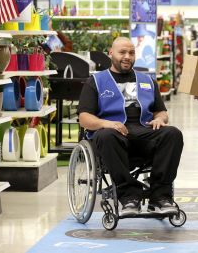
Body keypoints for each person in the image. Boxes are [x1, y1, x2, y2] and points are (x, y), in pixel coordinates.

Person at [77, 37, 183, 217]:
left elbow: (160, 111)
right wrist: (106, 124)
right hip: (112, 136)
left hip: (144, 132)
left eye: (131, 53)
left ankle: (160, 197)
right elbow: (84, 118)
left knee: (172, 134)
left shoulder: (147, 81)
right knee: (105, 136)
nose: (127, 57)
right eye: (122, 52)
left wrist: (160, 119)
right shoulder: (96, 81)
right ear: (111, 53)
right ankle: (128, 196)